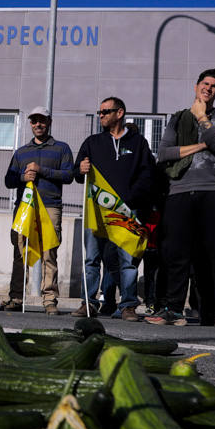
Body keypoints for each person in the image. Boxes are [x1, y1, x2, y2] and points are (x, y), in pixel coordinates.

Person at [146, 69, 215, 330]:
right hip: (179, 192)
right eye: (205, 83)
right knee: (176, 254)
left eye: (214, 86)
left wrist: (202, 117)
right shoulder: (178, 119)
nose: (209, 88)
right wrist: (201, 144)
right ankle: (173, 309)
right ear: (196, 85)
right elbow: (164, 153)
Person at [71, 97, 155, 320]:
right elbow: (77, 174)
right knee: (92, 260)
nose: (101, 116)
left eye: (105, 112)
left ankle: (127, 305)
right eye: (99, 112)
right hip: (97, 212)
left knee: (128, 262)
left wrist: (130, 199)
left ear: (120, 113)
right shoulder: (92, 142)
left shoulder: (139, 143)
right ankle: (87, 303)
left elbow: (148, 175)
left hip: (127, 212)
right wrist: (80, 169)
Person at [1, 106, 74, 314]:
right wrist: (23, 178)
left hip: (50, 205)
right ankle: (16, 297)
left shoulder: (62, 148)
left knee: (49, 252)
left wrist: (42, 170)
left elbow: (68, 175)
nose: (38, 124)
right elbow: (8, 180)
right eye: (34, 121)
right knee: (20, 252)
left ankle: (49, 299)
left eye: (42, 120)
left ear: (49, 122)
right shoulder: (21, 152)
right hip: (24, 208)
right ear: (30, 124)